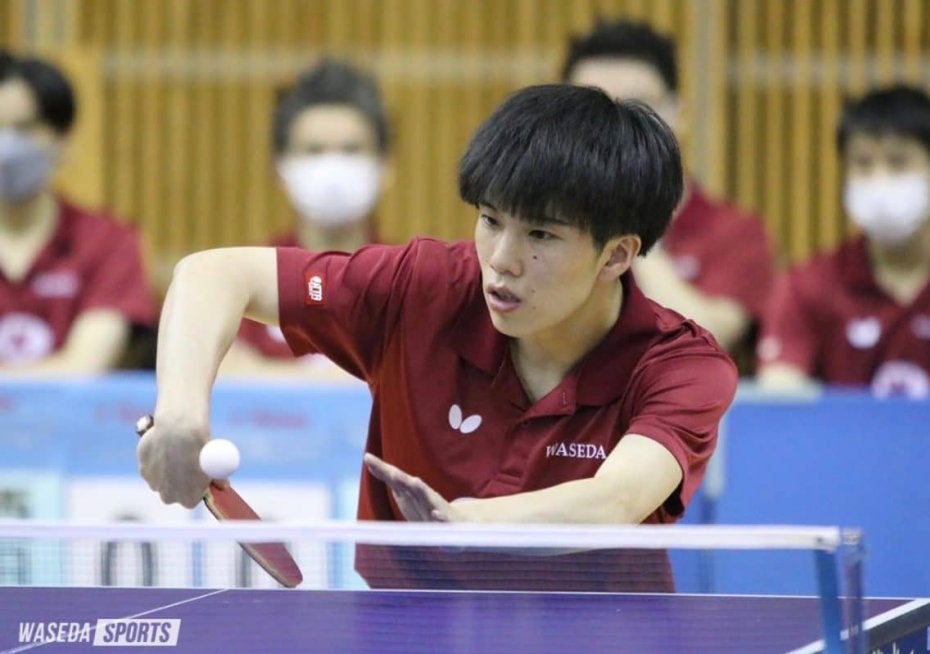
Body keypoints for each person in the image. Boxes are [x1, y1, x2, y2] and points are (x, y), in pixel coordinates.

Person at [138, 84, 737, 592]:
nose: (501, 260)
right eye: (490, 220)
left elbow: (616, 500)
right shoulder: (422, 291)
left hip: (599, 636)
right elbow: (211, 275)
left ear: (617, 255)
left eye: (541, 236)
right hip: (407, 631)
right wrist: (181, 416)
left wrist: (467, 524)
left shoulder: (680, 366)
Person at [561, 18, 775, 372]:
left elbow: (704, 340)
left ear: (677, 114)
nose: (616, 129)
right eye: (594, 110)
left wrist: (624, 220)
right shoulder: (536, 229)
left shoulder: (736, 232)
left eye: (637, 107)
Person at [757, 85, 930, 397]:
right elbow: (780, 395)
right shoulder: (807, 285)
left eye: (898, 162)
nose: (879, 179)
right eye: (863, 163)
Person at [221, 58, 392, 379]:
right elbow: (218, 372)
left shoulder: (417, 280)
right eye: (314, 150)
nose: (332, 168)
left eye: (351, 150)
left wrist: (265, 373)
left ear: (385, 165)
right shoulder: (240, 280)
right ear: (280, 168)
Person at [0, 50, 156, 374]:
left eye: (24, 128)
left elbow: (85, 366)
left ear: (63, 140)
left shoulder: (109, 242)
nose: (7, 145)